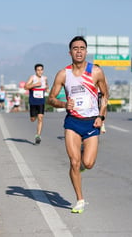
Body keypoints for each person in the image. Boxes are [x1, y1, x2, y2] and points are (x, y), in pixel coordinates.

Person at [47, 36, 109, 214]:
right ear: (70, 52)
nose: (79, 51)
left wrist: (101, 116)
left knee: (87, 163)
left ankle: (83, 158)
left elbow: (105, 95)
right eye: (75, 48)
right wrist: (63, 104)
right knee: (74, 163)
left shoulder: (95, 72)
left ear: (86, 51)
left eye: (82, 48)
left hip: (91, 123)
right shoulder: (63, 74)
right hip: (72, 123)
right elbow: (51, 99)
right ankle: (80, 200)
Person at [24, 64, 48, 144]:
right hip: (33, 102)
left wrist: (47, 89)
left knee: (40, 118)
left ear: (43, 70)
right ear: (35, 71)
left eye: (41, 70)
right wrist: (34, 84)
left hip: (41, 101)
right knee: (33, 119)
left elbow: (46, 87)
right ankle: (34, 116)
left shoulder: (45, 78)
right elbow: (25, 87)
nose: (40, 71)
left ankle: (38, 135)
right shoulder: (32, 78)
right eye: (38, 70)